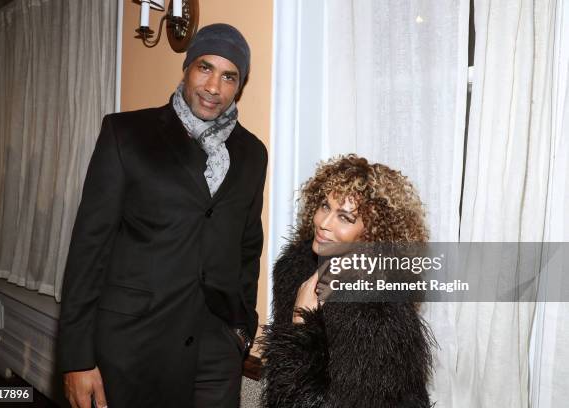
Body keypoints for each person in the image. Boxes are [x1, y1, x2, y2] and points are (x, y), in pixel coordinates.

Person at [58, 24, 267, 408]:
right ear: (187, 68)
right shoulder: (126, 134)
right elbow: (89, 250)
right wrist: (76, 358)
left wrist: (242, 331)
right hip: (133, 345)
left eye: (228, 76)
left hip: (216, 351)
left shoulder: (253, 153)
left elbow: (248, 246)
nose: (213, 86)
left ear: (239, 85)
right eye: (205, 68)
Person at [260, 155, 434, 408]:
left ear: (372, 233)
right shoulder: (296, 270)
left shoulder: (379, 309)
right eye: (324, 206)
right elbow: (281, 385)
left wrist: (301, 324)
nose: (323, 223)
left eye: (345, 217)